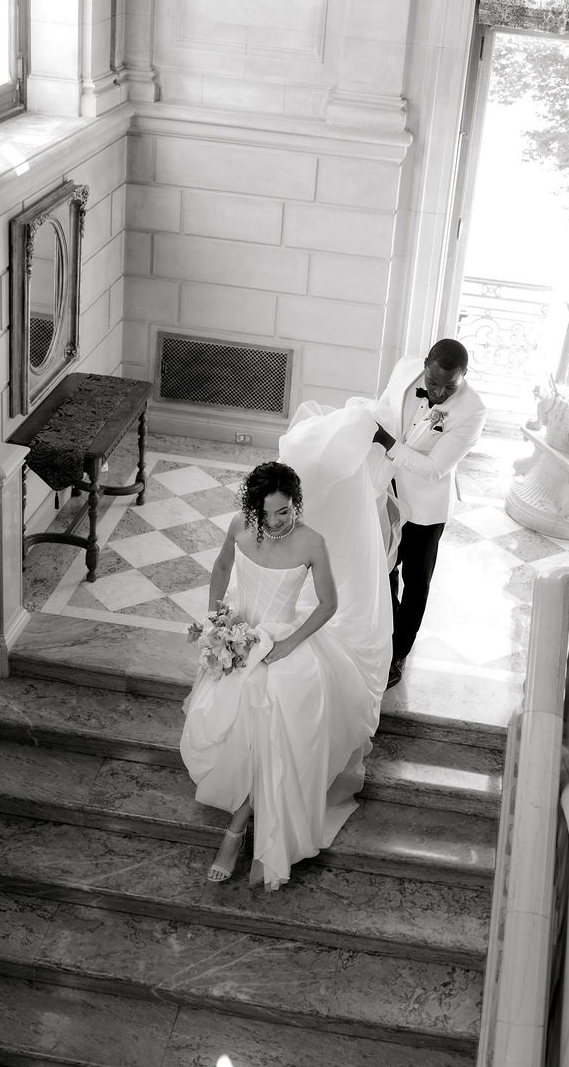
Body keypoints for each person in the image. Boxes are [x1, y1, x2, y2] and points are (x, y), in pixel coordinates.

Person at [179, 402, 392, 890]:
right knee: (235, 728)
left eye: (284, 511)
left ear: (296, 503)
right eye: (266, 513)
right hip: (237, 638)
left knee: (273, 731)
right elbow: (221, 568)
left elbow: (329, 604)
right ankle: (241, 812)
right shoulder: (240, 526)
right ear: (252, 508)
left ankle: (236, 832)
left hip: (285, 647)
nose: (275, 522)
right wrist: (216, 619)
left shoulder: (312, 542)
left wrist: (291, 644)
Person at [372, 338, 487, 689]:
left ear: (464, 375)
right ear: (424, 365)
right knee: (383, 567)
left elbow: (435, 469)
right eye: (433, 382)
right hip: (387, 490)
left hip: (425, 510)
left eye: (449, 387)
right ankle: (385, 634)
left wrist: (388, 445)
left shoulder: (472, 411)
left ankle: (398, 653)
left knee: (416, 583)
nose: (438, 392)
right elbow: (384, 410)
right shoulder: (404, 369)